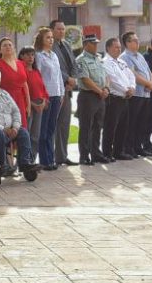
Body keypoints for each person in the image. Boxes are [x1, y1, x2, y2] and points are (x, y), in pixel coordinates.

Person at [75, 33, 109, 165]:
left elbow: (106, 75)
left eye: (96, 43)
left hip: (100, 96)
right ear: (85, 44)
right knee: (86, 127)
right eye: (93, 43)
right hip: (88, 96)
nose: (96, 46)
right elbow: (85, 79)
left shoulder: (99, 58)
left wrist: (106, 88)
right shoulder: (80, 60)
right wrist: (100, 91)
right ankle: (84, 156)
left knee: (98, 126)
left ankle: (96, 153)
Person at [121, 32, 152, 158]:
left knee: (142, 122)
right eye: (134, 40)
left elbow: (148, 71)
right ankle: (129, 148)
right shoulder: (125, 57)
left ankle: (138, 146)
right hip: (135, 95)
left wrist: (151, 82)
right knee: (132, 122)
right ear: (127, 43)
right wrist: (148, 83)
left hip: (145, 94)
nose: (137, 42)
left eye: (137, 40)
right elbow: (133, 74)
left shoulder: (140, 56)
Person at [33, 27, 63, 170]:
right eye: (48, 38)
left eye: (52, 37)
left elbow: (58, 77)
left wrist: (61, 93)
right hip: (45, 96)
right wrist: (42, 97)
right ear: (41, 40)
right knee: (43, 129)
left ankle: (50, 158)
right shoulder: (39, 56)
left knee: (51, 129)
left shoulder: (54, 55)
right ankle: (44, 160)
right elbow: (38, 78)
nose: (51, 40)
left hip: (56, 94)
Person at [50, 19, 79, 166]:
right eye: (59, 29)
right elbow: (54, 68)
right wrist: (67, 79)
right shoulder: (50, 47)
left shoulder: (66, 45)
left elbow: (74, 64)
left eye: (63, 29)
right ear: (52, 30)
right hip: (55, 90)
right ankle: (51, 157)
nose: (61, 31)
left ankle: (62, 156)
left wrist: (72, 80)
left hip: (67, 90)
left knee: (64, 124)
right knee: (53, 125)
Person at [101, 37, 135, 161]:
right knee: (111, 126)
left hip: (125, 97)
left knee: (123, 126)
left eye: (120, 47)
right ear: (108, 48)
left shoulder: (121, 62)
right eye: (116, 47)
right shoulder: (105, 62)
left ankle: (119, 151)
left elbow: (131, 75)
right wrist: (125, 90)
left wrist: (132, 87)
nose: (118, 49)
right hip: (114, 98)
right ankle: (107, 152)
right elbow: (113, 79)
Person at [0, 38, 30, 130]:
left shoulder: (20, 64)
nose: (8, 47)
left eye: (10, 45)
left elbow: (24, 83)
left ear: (13, 48)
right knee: (8, 130)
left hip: (20, 101)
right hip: (4, 100)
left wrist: (28, 103)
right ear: (0, 50)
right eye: (4, 45)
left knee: (21, 130)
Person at [18, 45, 47, 164]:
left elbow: (43, 88)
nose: (31, 57)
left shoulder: (36, 72)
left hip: (40, 105)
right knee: (27, 134)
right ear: (22, 56)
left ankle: (32, 159)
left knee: (36, 134)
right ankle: (24, 160)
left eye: (32, 55)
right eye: (28, 54)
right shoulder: (22, 71)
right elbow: (22, 91)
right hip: (29, 105)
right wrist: (32, 104)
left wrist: (44, 101)